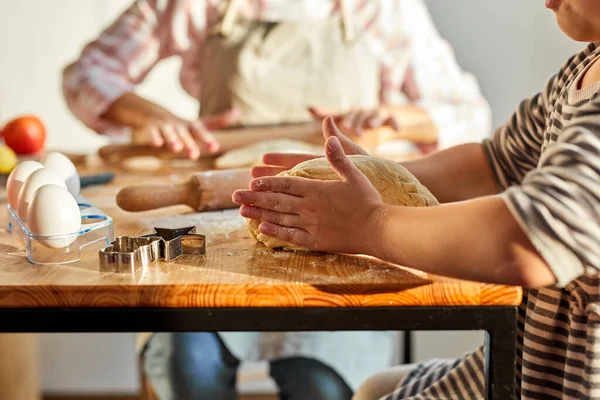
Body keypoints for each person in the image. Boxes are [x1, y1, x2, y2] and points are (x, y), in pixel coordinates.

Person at [63, 1, 491, 398]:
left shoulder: (380, 7)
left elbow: (468, 112)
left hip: (344, 238)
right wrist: (153, 116)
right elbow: (86, 73)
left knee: (319, 383)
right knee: (190, 365)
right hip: (223, 228)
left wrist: (394, 119)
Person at [232, 0, 600, 398]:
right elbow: (492, 166)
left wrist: (368, 225)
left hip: (572, 378)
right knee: (375, 388)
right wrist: (374, 175)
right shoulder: (583, 67)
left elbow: (527, 242)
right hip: (531, 358)